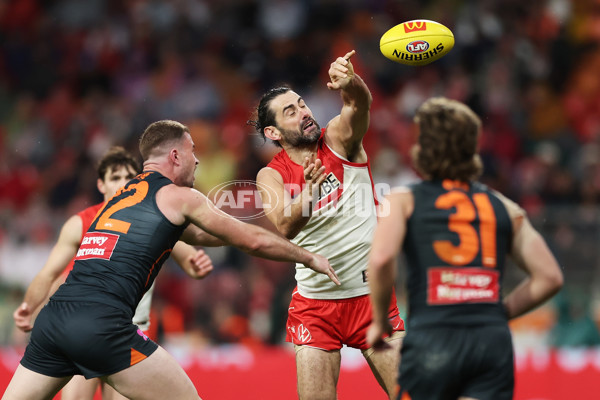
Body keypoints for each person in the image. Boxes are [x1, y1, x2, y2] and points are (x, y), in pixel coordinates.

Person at [2, 120, 339, 400]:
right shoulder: (178, 196)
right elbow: (248, 240)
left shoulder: (118, 198)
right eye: (193, 151)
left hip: (54, 322)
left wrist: (286, 214)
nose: (198, 161)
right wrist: (308, 257)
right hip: (103, 328)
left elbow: (215, 235)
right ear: (176, 155)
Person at [366, 97, 564, 400]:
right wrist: (499, 312)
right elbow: (550, 277)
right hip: (491, 344)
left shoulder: (403, 200)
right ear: (473, 149)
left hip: (433, 338)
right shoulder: (502, 204)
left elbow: (380, 260)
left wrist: (380, 322)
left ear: (422, 148)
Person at [251, 50, 404, 400]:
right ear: (273, 131)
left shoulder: (337, 138)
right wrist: (309, 190)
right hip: (315, 307)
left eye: (302, 104)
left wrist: (351, 82)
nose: (304, 112)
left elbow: (359, 106)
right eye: (291, 111)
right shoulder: (270, 176)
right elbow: (286, 227)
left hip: (371, 301)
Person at [12, 146, 215, 400]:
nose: (123, 183)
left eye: (129, 177)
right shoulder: (81, 222)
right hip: (85, 329)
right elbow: (49, 273)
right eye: (115, 177)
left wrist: (196, 266)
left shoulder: (154, 217)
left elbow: (188, 260)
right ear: (101, 184)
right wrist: (29, 306)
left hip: (127, 333)